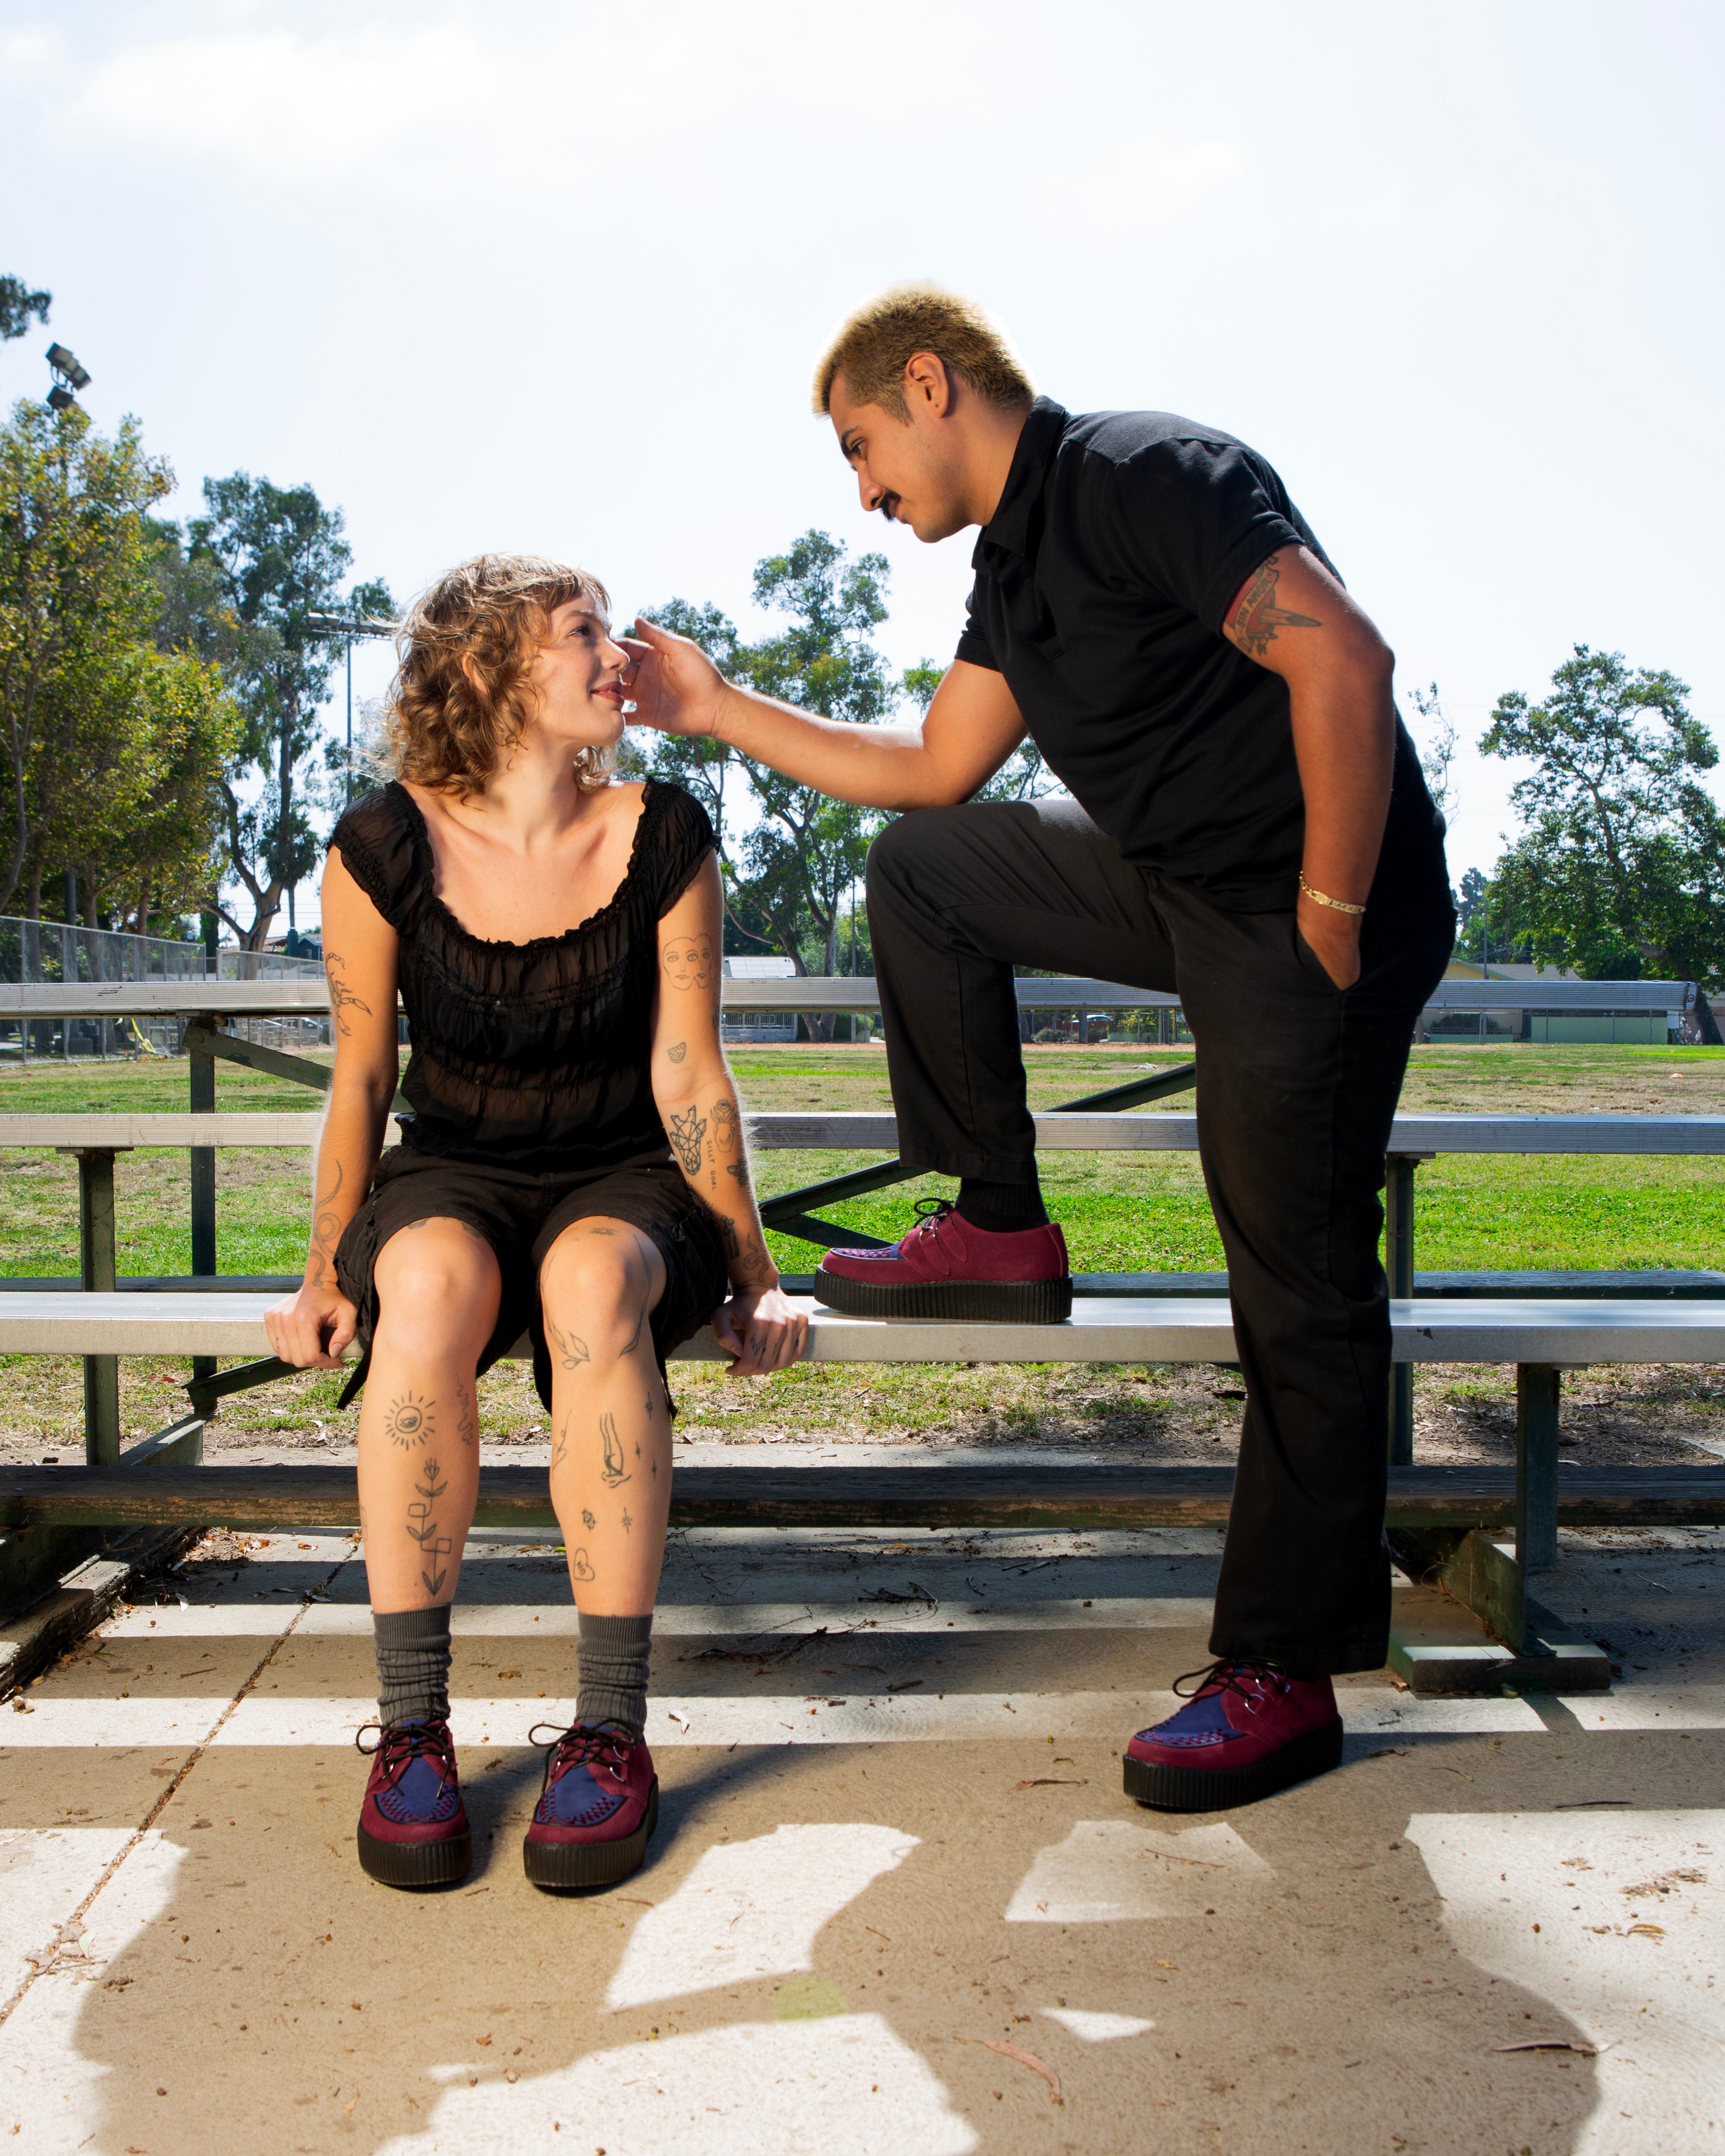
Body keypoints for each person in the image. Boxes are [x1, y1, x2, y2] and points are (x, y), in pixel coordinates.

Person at [622, 284, 1454, 1813]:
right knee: (928, 868)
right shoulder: (1013, 573)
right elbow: (932, 766)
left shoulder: (1148, 473)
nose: (863, 489)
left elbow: (1347, 662)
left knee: (1297, 1269)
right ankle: (1002, 1223)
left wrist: (1330, 916)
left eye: (864, 444)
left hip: (1319, 901)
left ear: (930, 385)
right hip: (1185, 885)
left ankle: (1288, 1670)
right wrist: (717, 707)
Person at [267, 554, 805, 1891]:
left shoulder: (664, 832)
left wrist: (753, 1271)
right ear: (493, 670)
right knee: (434, 1285)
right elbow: (361, 1077)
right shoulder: (381, 844)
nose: (617, 655)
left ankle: (609, 1736)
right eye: (583, 634)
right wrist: (324, 1269)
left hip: (622, 1178)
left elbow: (689, 1071)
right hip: (453, 1170)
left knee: (588, 1285)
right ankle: (412, 1737)